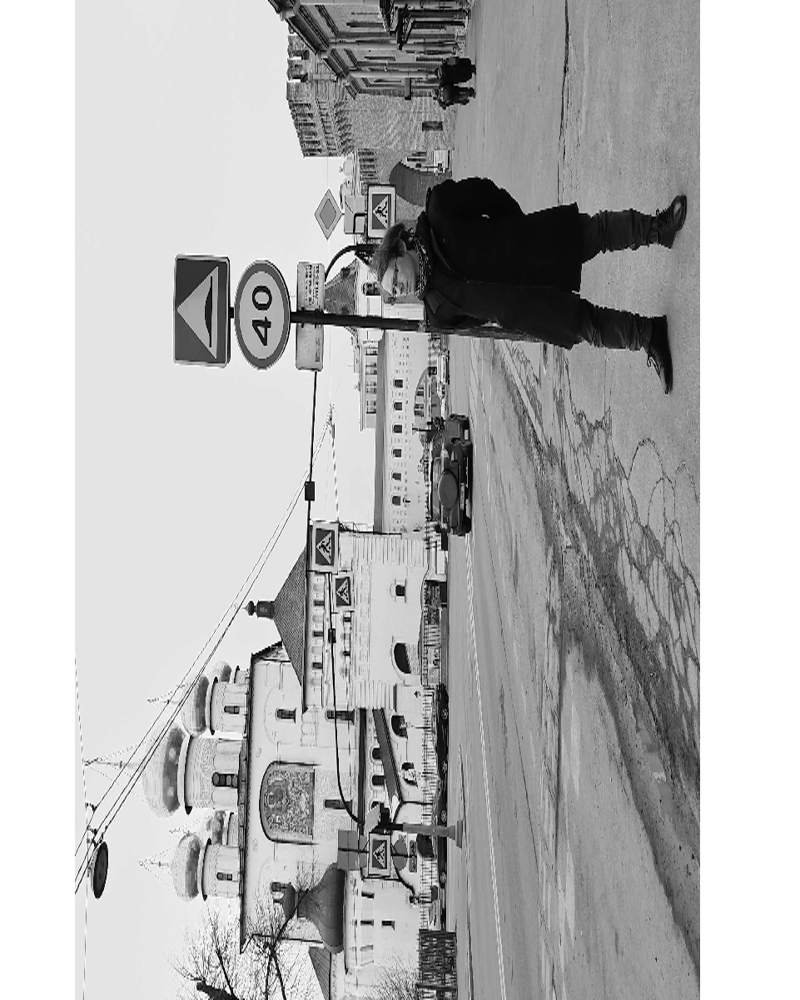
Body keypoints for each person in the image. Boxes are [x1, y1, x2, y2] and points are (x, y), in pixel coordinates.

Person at [371, 177, 688, 393]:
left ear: (400, 248)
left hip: (528, 247)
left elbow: (486, 193)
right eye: (395, 291)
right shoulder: (436, 311)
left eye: (395, 278)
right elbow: (477, 320)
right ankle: (648, 335)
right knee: (588, 326)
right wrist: (505, 312)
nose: (400, 288)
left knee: (595, 233)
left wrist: (516, 227)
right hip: (526, 310)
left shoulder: (439, 210)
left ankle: (659, 228)